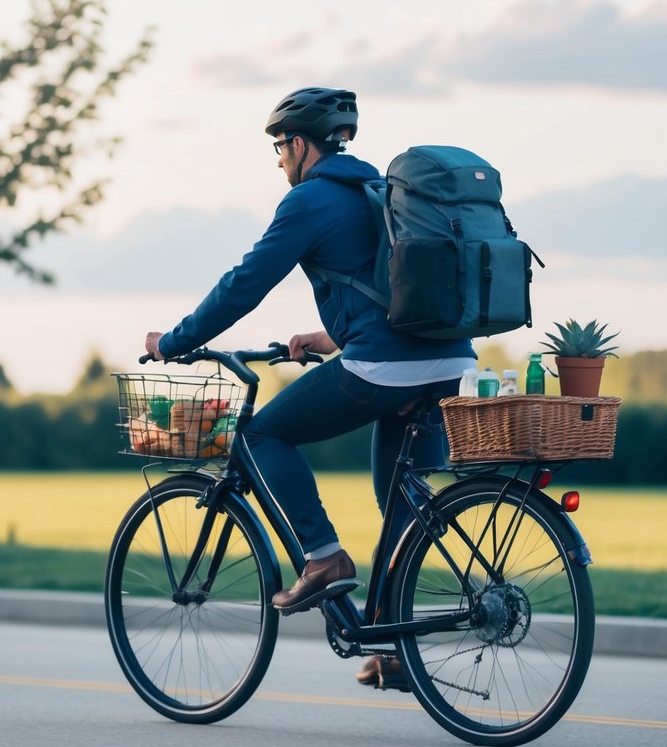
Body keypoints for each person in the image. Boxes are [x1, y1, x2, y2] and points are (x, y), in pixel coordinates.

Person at [144, 87, 478, 690]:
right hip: (447, 360)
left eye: (279, 147)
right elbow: (393, 287)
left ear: (300, 144)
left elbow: (244, 284)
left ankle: (322, 556)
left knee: (260, 432)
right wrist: (332, 336)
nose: (278, 161)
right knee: (399, 499)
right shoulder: (380, 193)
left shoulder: (310, 201)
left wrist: (173, 341)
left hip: (384, 368)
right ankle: (392, 648)